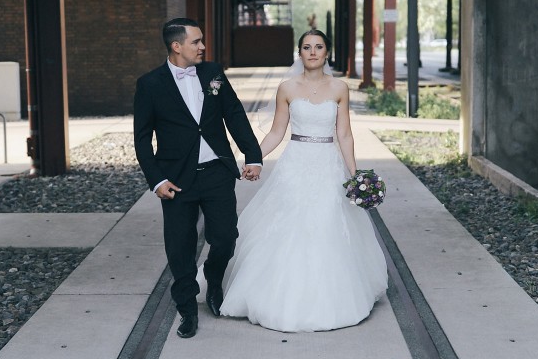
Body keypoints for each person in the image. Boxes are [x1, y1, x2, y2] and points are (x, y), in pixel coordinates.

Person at [219, 30, 388, 332]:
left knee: (326, 223)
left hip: (327, 164)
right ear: (299, 53)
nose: (312, 52)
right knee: (289, 222)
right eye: (307, 47)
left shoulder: (339, 88)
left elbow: (344, 134)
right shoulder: (286, 88)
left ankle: (331, 298)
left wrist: (355, 175)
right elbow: (276, 132)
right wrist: (254, 159)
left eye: (318, 47)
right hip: (295, 163)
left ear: (326, 53)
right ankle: (277, 296)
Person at [133, 18, 263, 339]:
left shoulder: (212, 73)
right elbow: (142, 139)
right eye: (196, 42)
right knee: (180, 247)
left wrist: (253, 155)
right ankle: (187, 308)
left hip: (217, 172)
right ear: (176, 46)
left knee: (226, 237)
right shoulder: (150, 84)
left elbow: (234, 114)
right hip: (176, 179)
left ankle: (214, 281)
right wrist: (157, 180)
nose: (203, 47)